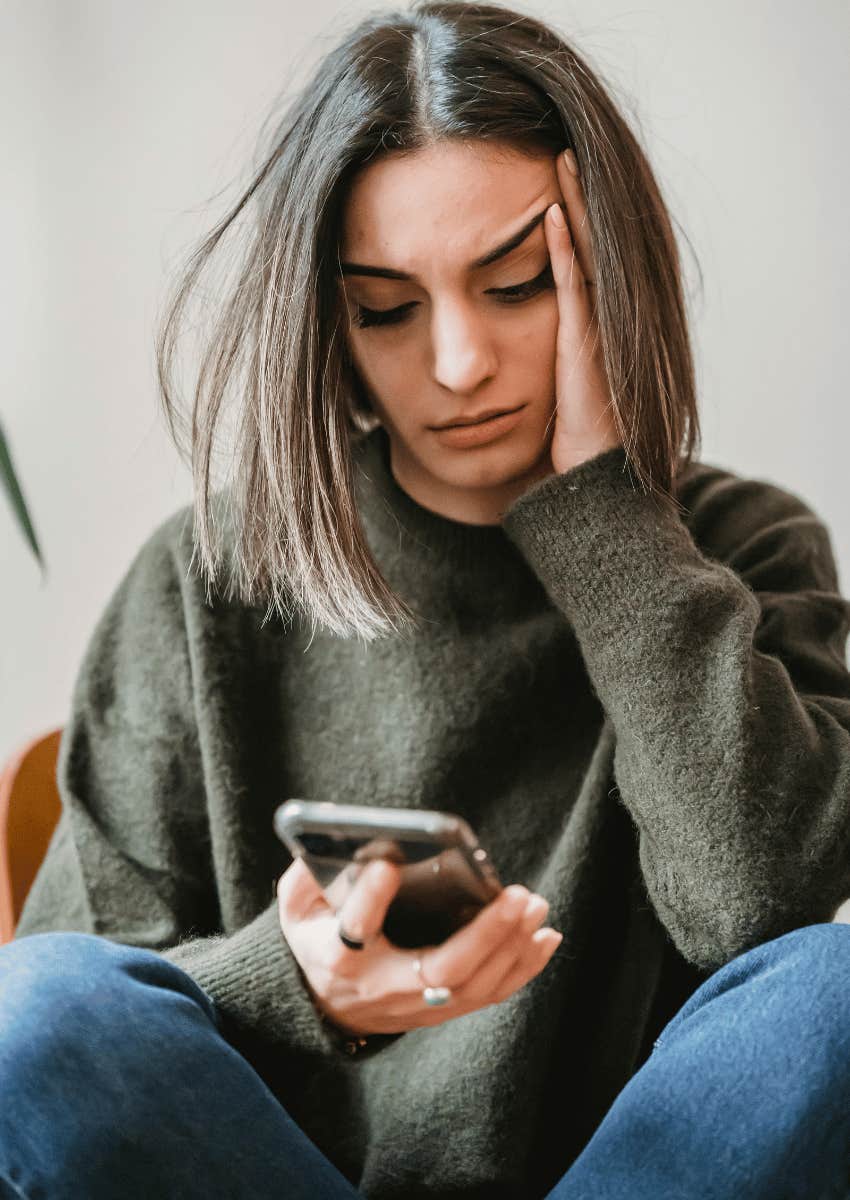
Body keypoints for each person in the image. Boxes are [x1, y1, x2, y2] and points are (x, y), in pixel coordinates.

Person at [4, 2, 850, 1197]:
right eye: (386, 309)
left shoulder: (744, 547)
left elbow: (756, 914)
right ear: (329, 327)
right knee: (37, 1009)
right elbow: (64, 1043)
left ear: (610, 275)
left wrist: (604, 516)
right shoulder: (210, 578)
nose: (456, 363)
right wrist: (292, 983)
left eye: (515, 285)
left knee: (836, 990)